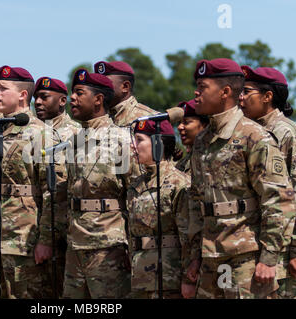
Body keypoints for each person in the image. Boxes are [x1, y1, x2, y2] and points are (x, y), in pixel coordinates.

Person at [188, 58, 296, 299]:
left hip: (246, 258)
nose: (196, 93)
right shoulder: (202, 141)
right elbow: (195, 205)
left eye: (202, 87)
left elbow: (279, 201)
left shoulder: (255, 137)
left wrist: (269, 259)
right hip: (209, 257)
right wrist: (193, 257)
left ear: (225, 92)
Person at [0, 65, 59, 299]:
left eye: (3, 89)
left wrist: (45, 240)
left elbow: (52, 193)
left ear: (23, 95)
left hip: (24, 238)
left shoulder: (42, 134)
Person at [62, 68, 131, 299]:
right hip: (75, 245)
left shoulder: (122, 140)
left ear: (99, 99)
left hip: (108, 246)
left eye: (79, 93)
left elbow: (135, 195)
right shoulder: (73, 142)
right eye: (72, 93)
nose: (73, 98)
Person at [239, 65, 296, 298]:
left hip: (283, 252)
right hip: (262, 243)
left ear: (267, 97)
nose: (241, 98)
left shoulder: (283, 132)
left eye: (247, 92)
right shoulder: (252, 132)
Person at [127, 118, 195, 299]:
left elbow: (189, 236)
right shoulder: (137, 185)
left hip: (169, 280)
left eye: (139, 140)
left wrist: (188, 279)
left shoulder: (178, 183)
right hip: (140, 279)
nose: (133, 146)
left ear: (158, 143)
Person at [33, 77, 81, 297]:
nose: (38, 102)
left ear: (62, 101)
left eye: (44, 97)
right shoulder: (33, 133)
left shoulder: (76, 135)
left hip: (64, 234)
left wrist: (47, 238)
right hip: (34, 230)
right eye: (35, 98)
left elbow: (59, 192)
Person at [94, 60, 159, 126]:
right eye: (98, 84)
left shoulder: (152, 120)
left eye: (106, 83)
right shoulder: (96, 120)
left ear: (125, 87)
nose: (100, 88)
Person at [175, 99, 209, 173]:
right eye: (179, 122)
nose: (179, 127)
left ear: (205, 125)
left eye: (186, 122)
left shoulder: (211, 157)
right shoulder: (187, 159)